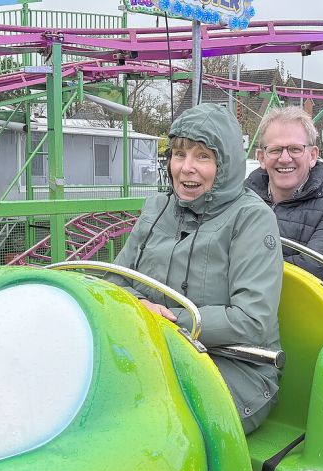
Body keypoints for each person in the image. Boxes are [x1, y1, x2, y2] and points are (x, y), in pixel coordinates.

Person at [111, 103, 283, 434]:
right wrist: (140, 304)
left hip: (234, 365)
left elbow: (252, 318)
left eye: (202, 156)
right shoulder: (158, 207)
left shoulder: (251, 218)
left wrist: (166, 322)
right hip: (153, 351)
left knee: (145, 421)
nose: (186, 168)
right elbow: (114, 278)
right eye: (179, 154)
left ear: (225, 164)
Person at [245, 107, 323, 281]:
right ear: (261, 158)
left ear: (312, 156)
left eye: (295, 149)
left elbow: (314, 268)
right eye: (275, 150)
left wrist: (240, 267)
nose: (284, 159)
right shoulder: (242, 196)